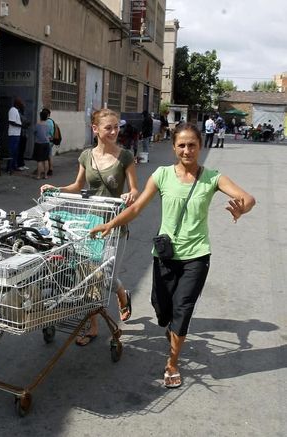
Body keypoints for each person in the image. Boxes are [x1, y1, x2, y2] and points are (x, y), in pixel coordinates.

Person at [88, 122, 255, 389]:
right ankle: (170, 326)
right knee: (162, 308)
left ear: (200, 146)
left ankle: (172, 364)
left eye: (192, 145)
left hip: (197, 256)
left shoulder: (212, 177)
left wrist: (241, 209)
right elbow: (137, 208)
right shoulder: (162, 175)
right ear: (174, 147)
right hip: (165, 254)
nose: (187, 150)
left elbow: (247, 198)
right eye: (182, 145)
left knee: (183, 309)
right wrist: (111, 224)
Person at [40, 108, 139, 345]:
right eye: (108, 127)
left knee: (106, 279)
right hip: (91, 224)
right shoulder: (86, 156)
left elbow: (135, 189)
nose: (114, 131)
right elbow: (77, 185)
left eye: (117, 127)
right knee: (89, 277)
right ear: (95, 129)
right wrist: (55, 189)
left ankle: (122, 295)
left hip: (115, 225)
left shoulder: (125, 156)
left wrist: (129, 195)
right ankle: (93, 327)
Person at [32, 108, 52, 179]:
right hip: (46, 143)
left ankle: (38, 176)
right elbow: (49, 134)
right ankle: (46, 175)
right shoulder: (48, 125)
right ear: (46, 117)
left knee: (39, 160)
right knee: (46, 160)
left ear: (40, 116)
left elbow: (34, 132)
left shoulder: (37, 125)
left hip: (39, 144)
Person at [7, 97, 24, 172]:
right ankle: (9, 167)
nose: (22, 105)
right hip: (13, 134)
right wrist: (21, 126)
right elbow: (11, 122)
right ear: (17, 104)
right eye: (20, 103)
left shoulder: (16, 111)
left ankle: (14, 166)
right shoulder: (13, 110)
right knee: (12, 151)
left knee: (15, 151)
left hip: (16, 134)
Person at [18, 105, 30, 171]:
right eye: (23, 108)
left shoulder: (24, 114)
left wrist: (27, 123)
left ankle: (22, 164)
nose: (24, 109)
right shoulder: (19, 114)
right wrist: (25, 124)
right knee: (20, 150)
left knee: (23, 150)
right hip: (21, 134)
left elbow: (26, 122)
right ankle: (19, 164)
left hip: (25, 134)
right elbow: (22, 123)